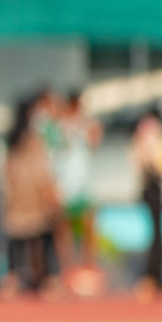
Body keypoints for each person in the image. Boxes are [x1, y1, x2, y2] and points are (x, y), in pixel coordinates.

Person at [0, 97, 62, 295]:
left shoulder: (10, 140)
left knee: (18, 244)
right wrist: (50, 193)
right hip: (34, 201)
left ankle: (14, 277)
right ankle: (48, 279)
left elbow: (6, 172)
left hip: (16, 202)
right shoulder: (34, 139)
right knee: (44, 241)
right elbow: (40, 171)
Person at [130, 106, 162, 301]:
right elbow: (152, 161)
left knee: (158, 235)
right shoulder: (152, 132)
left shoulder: (151, 132)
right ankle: (153, 276)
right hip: (152, 187)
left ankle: (156, 276)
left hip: (154, 187)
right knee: (157, 235)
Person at [55, 89, 103, 275]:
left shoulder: (87, 125)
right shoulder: (60, 126)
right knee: (65, 230)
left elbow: (94, 144)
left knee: (88, 227)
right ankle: (68, 268)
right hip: (66, 185)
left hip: (84, 184)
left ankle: (87, 267)